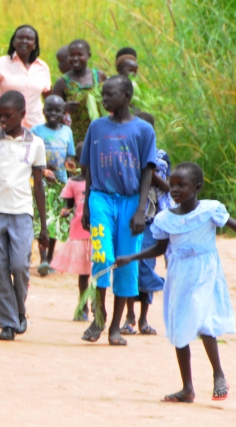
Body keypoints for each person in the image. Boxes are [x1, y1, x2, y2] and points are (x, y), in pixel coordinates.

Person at [115, 162, 234, 403]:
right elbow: (160, 248)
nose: (175, 189)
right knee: (180, 329)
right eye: (173, 184)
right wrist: (131, 257)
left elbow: (233, 225)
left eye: (182, 185)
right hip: (179, 275)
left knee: (204, 320)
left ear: (197, 187)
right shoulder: (165, 218)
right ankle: (187, 388)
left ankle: (218, 374)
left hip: (205, 272)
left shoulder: (210, 210)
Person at [80, 75, 156, 346]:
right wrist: (88, 203)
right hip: (101, 198)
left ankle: (115, 326)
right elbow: (88, 167)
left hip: (130, 202)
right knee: (102, 256)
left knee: (126, 262)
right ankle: (98, 317)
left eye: (110, 94)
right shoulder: (97, 127)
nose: (104, 99)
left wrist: (140, 209)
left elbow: (148, 170)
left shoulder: (143, 130)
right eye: (103, 94)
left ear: (126, 96)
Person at [0, 91, 48, 341]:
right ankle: (8, 324)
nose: (1, 120)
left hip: (22, 212)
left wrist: (43, 225)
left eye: (7, 115)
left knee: (19, 266)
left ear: (22, 115)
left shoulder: (35, 143)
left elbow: (38, 186)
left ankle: (19, 310)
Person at [121, 111, 169, 336]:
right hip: (130, 215)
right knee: (130, 264)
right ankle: (129, 316)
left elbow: (167, 187)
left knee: (146, 265)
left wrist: (147, 169)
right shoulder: (125, 152)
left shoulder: (160, 156)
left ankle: (143, 318)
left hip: (151, 220)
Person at [32, 95, 76, 275]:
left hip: (60, 182)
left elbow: (69, 156)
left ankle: (50, 258)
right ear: (43, 111)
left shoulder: (67, 132)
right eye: (49, 109)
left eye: (57, 110)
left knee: (56, 221)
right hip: (41, 182)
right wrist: (42, 170)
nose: (52, 113)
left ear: (63, 113)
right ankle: (42, 258)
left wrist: (69, 165)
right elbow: (31, 156)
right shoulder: (36, 130)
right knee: (42, 218)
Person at [51, 142, 93, 320]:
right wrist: (66, 210)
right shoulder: (73, 182)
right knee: (84, 273)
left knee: (97, 273)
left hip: (96, 232)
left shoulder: (101, 181)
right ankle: (82, 306)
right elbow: (70, 204)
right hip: (79, 231)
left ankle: (96, 306)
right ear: (78, 161)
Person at [0, 25, 51, 129]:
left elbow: (48, 97)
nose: (24, 41)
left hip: (36, 126)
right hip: (8, 126)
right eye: (20, 38)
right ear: (13, 42)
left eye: (29, 39)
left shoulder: (42, 67)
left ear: (34, 45)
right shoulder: (1, 63)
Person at [51, 40, 107, 147]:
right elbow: (52, 110)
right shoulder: (62, 82)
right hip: (73, 136)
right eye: (71, 55)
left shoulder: (99, 76)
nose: (75, 58)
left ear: (88, 55)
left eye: (79, 55)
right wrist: (64, 108)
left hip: (100, 134)